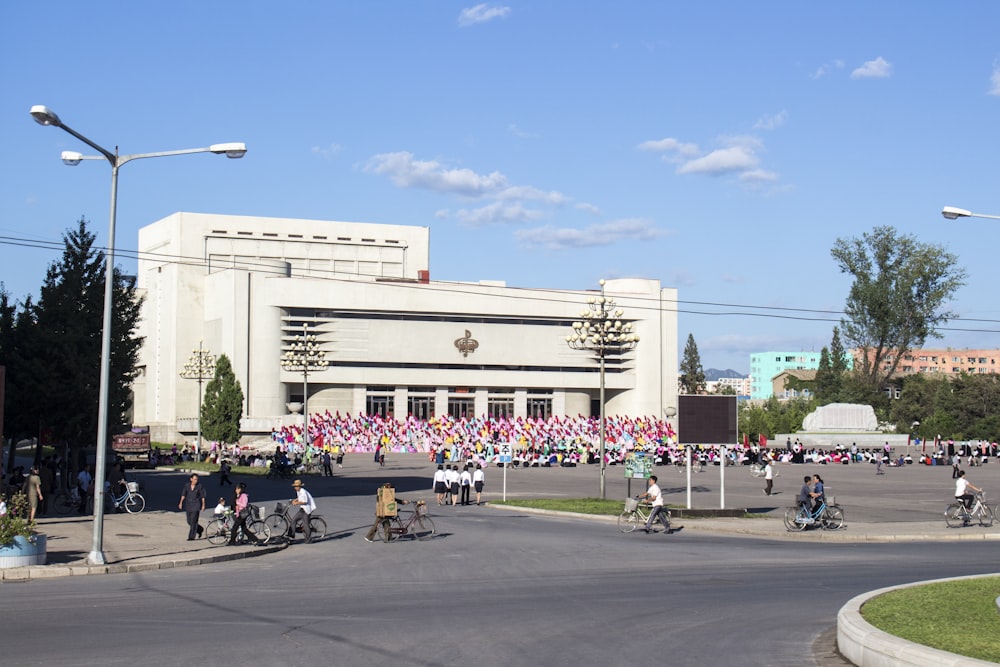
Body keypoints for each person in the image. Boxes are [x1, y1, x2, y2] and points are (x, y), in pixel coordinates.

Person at [178, 473, 206, 540]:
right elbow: (183, 494)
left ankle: (191, 537)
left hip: (196, 505)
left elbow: (202, 496)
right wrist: (181, 503)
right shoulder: (187, 486)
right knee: (189, 521)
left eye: (197, 479)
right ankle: (200, 529)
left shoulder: (199, 486)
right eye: (194, 479)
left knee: (193, 521)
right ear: (191, 479)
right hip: (188, 505)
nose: (196, 481)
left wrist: (203, 505)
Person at [289, 479, 316, 544]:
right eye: (294, 486)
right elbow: (299, 498)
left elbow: (304, 501)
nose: (295, 488)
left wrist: (296, 503)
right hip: (302, 509)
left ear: (299, 486)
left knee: (305, 525)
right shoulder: (298, 491)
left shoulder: (303, 492)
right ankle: (291, 535)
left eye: (296, 486)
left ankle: (309, 539)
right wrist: (294, 500)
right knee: (293, 520)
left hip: (307, 509)